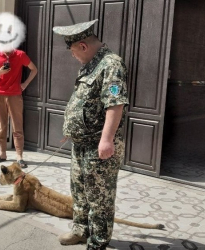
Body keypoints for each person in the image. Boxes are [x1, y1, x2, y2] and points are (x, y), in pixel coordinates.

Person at [53, 19, 129, 250]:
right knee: (79, 191)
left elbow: (115, 105)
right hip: (82, 142)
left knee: (99, 197)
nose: (72, 55)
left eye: (72, 50)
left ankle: (97, 242)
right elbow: (84, 103)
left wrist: (106, 140)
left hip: (98, 144)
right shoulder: (90, 65)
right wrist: (72, 129)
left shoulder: (111, 64)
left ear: (83, 46)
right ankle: (80, 229)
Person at [0, 49, 37, 168]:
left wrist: (25, 84)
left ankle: (19, 157)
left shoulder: (20, 55)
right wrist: (0, 71)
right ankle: (2, 153)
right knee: (1, 126)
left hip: (15, 95)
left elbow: (34, 69)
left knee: (17, 127)